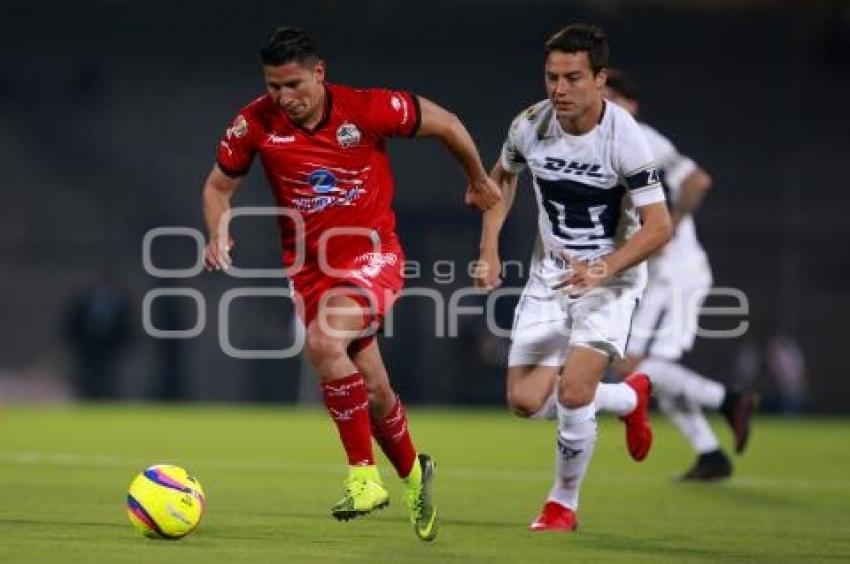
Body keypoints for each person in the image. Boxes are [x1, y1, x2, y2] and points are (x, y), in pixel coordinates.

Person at [201, 27, 501, 541]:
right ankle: (413, 474)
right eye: (274, 87)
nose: (284, 98)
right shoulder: (253, 123)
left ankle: (363, 476)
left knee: (321, 343)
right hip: (310, 272)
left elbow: (447, 124)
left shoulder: (367, 108)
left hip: (372, 255)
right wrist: (218, 228)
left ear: (319, 74)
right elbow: (217, 185)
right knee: (376, 391)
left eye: (293, 84)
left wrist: (476, 178)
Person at [474, 24, 672, 532]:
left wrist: (602, 270)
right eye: (551, 77)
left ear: (600, 79)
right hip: (551, 277)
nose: (559, 89)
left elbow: (659, 226)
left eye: (573, 78)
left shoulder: (625, 137)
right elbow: (501, 182)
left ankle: (562, 503)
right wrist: (489, 249)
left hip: (611, 279)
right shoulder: (529, 125)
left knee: (576, 391)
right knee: (523, 402)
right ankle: (630, 397)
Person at [602, 70, 758, 480]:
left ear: (631, 105)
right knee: (653, 371)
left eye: (614, 98)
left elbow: (696, 181)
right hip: (656, 273)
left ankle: (728, 398)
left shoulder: (642, 138)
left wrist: (668, 225)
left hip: (675, 272)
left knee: (634, 366)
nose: (605, 105)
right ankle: (711, 454)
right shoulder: (607, 144)